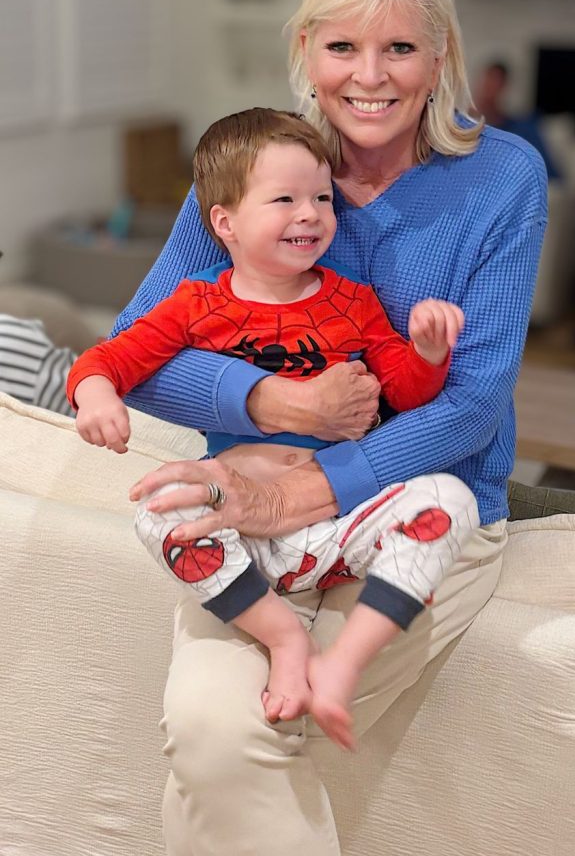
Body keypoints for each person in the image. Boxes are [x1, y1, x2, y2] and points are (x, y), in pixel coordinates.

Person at [108, 0, 548, 855]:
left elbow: (470, 407)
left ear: (440, 58)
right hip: (244, 514)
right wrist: (276, 407)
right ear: (304, 47)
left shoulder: (501, 178)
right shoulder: (251, 164)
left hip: (412, 516)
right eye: (342, 44)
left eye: (399, 47)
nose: (369, 75)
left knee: (236, 744)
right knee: (208, 733)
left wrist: (303, 488)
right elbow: (134, 354)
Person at [67, 107, 470, 750]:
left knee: (452, 501)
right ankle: (285, 636)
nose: (310, 213)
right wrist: (95, 397)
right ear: (224, 223)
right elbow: (106, 358)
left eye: (320, 198)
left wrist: (425, 351)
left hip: (337, 523)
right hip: (240, 530)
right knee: (156, 510)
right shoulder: (196, 304)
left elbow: (407, 390)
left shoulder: (352, 301)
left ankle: (344, 662)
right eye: (284, 199)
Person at [473, 59, 562, 181]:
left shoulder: (523, 129)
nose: (488, 91)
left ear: (504, 88)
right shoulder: (463, 126)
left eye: (494, 85)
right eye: (485, 84)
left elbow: (549, 173)